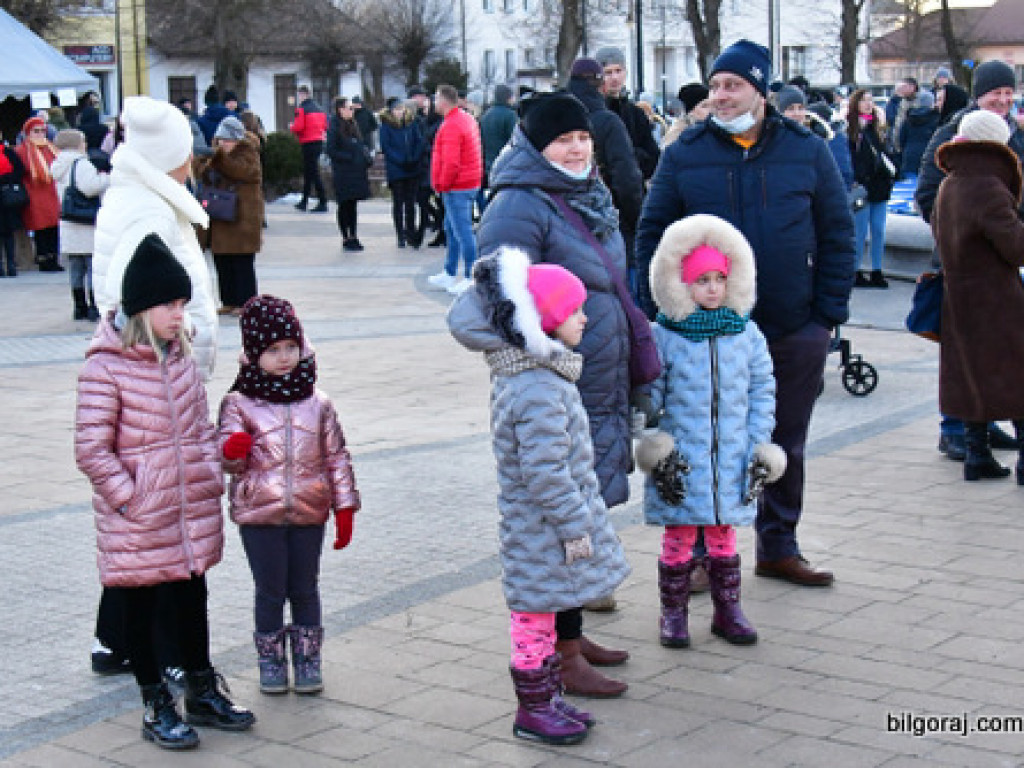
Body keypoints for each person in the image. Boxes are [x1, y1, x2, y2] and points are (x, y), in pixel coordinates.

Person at [636, 39, 856, 587]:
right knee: (709, 441)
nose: (721, 96)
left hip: (791, 323)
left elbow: (837, 233)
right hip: (703, 334)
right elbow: (651, 235)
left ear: (762, 90)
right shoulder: (686, 153)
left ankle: (779, 545)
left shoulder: (806, 150)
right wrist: (661, 312)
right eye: (714, 86)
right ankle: (709, 556)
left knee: (783, 439)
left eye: (732, 85)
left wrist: (825, 315)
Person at [477, 92, 634, 689]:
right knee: (556, 514)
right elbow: (501, 295)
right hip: (553, 378)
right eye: (563, 140)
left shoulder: (586, 192)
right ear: (536, 147)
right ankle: (557, 657)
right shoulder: (518, 203)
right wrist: (544, 353)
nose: (576, 148)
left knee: (582, 503)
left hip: (589, 374)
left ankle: (571, 635)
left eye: (583, 137)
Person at [75, 233, 255, 750]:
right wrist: (130, 498)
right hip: (138, 516)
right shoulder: (103, 368)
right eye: (168, 305)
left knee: (190, 598)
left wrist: (223, 456)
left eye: (181, 303)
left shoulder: (179, 358)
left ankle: (201, 686)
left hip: (186, 510)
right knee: (139, 606)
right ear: (140, 309)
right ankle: (155, 700)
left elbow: (198, 430)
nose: (179, 314)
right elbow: (92, 449)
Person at [447, 246, 631, 745]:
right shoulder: (538, 387)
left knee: (543, 620)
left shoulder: (538, 375)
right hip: (542, 531)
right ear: (545, 322)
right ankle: (532, 709)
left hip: (538, 528)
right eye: (573, 310)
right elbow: (544, 472)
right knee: (532, 624)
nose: (585, 317)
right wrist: (576, 526)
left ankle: (548, 698)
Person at [637, 214, 785, 648]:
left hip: (733, 457)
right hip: (684, 457)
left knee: (724, 535)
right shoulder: (665, 335)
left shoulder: (747, 335)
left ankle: (728, 609)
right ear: (682, 285)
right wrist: (654, 442)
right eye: (701, 280)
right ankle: (673, 614)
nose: (713, 288)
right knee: (679, 536)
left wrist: (758, 441)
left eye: (720, 278)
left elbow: (762, 390)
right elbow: (650, 394)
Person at [218, 295, 360, 694]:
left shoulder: (319, 404)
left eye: (290, 348)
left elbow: (336, 457)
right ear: (253, 353)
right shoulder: (238, 403)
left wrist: (344, 505)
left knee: (305, 587)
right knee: (270, 590)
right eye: (273, 350)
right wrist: (232, 452)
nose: (284, 358)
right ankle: (271, 661)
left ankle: (309, 659)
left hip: (309, 511)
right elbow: (227, 458)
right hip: (259, 516)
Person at [915, 59, 1024, 462]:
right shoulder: (953, 136)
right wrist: (959, 235)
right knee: (967, 351)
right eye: (996, 92)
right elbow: (928, 194)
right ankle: (956, 429)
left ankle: (983, 430)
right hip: (966, 261)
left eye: (1009, 92)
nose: (1003, 99)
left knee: (988, 353)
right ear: (979, 95)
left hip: (997, 256)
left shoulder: (1013, 134)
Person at [93, 95, 219, 380]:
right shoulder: (151, 212)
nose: (190, 161)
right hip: (159, 365)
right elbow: (123, 296)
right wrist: (184, 329)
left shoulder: (141, 198)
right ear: (167, 157)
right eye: (185, 153)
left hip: (162, 361)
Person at [566, 58, 644, 296]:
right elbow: (627, 180)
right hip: (611, 226)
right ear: (600, 85)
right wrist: (636, 218)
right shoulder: (607, 121)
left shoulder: (555, 117)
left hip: (565, 225)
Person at [197, 116, 263, 315]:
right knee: (222, 260)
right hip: (221, 213)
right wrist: (204, 163)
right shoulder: (217, 156)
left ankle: (246, 302)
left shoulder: (248, 153)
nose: (223, 143)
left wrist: (218, 159)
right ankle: (229, 300)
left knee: (241, 262)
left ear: (237, 139)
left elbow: (242, 171)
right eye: (220, 140)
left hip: (242, 216)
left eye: (227, 140)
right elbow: (205, 176)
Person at [426, 84, 482, 295]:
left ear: (443, 100)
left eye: (435, 98)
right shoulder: (466, 119)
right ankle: (450, 273)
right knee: (452, 228)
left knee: (462, 231)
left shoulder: (451, 125)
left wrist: (441, 184)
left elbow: (450, 162)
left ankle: (470, 275)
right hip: (468, 183)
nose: (433, 103)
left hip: (457, 186)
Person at [52, 129, 109, 320]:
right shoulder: (81, 164)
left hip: (68, 221)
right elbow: (90, 187)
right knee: (92, 266)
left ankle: (79, 306)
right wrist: (105, 179)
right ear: (77, 143)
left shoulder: (58, 164)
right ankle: (94, 307)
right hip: (85, 222)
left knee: (75, 268)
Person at [847, 89, 895, 289]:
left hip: (879, 185)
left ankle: (877, 270)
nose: (868, 104)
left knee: (878, 229)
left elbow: (887, 152)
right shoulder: (851, 130)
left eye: (870, 100)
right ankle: (856, 270)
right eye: (864, 100)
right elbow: (850, 157)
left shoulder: (877, 128)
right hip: (862, 186)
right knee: (859, 230)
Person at [593, 46, 661, 180]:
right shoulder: (593, 111)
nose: (614, 77)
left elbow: (654, 160)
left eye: (618, 71)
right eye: (608, 72)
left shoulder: (636, 114)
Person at [15, 115, 62, 272]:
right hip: (34, 193)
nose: (40, 134)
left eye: (43, 131)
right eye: (36, 131)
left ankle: (53, 258)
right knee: (40, 228)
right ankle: (43, 259)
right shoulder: (22, 150)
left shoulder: (51, 148)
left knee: (53, 227)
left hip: (51, 192)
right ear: (28, 133)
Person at [325, 97, 371, 252]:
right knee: (344, 205)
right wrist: (349, 157)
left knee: (353, 205)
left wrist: (362, 156)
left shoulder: (353, 125)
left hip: (356, 172)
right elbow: (331, 150)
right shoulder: (334, 126)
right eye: (349, 108)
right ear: (340, 110)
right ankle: (345, 237)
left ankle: (354, 235)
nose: (352, 111)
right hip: (343, 172)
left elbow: (360, 143)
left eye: (352, 108)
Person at [378, 97, 424, 248]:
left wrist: (414, 157)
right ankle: (400, 234)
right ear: (391, 111)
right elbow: (387, 148)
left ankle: (410, 232)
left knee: (411, 203)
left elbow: (419, 141)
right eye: (397, 109)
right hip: (396, 169)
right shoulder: (386, 126)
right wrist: (401, 160)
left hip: (412, 168)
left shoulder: (411, 123)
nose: (400, 112)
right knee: (398, 202)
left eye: (401, 109)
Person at [289, 85, 329, 213]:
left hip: (307, 141)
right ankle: (305, 201)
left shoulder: (301, 109)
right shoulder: (320, 108)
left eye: (299, 95)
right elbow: (326, 125)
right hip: (319, 141)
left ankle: (322, 200)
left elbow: (299, 127)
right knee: (310, 171)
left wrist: (291, 126)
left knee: (312, 172)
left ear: (302, 95)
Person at [479, 83, 518, 210]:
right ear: (508, 97)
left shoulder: (485, 115)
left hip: (487, 163)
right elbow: (515, 141)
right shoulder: (510, 115)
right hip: (506, 164)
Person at [898, 90, 939, 180]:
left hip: (910, 155)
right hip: (929, 155)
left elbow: (901, 139)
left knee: (910, 184)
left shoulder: (908, 118)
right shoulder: (935, 118)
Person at [0, 139, 26, 277]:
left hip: (6, 196)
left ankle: (9, 264)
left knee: (7, 231)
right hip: (7, 194)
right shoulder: (8, 152)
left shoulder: (8, 152)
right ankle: (9, 264)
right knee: (8, 233)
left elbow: (20, 169)